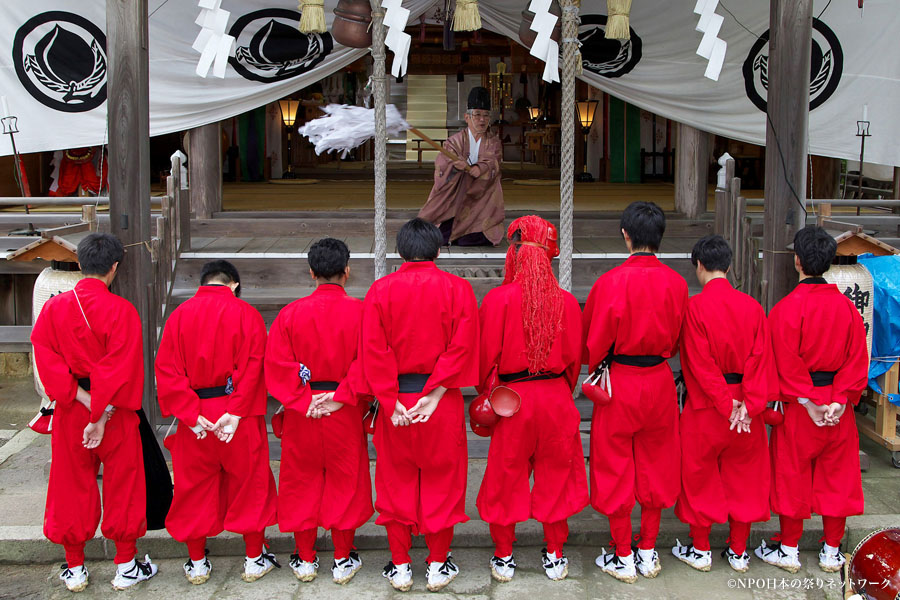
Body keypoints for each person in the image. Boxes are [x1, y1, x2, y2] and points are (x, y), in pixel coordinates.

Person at [31, 232, 157, 592]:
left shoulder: (54, 307)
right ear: (114, 267)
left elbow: (46, 356)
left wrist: (81, 400)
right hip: (115, 412)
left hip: (72, 410)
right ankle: (126, 565)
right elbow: (119, 368)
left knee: (70, 485)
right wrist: (100, 413)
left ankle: (75, 568)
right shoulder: (122, 310)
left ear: (81, 264)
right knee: (124, 485)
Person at [360, 218, 479, 592]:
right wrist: (439, 390)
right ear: (438, 250)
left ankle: (399, 566)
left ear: (399, 252)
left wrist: (388, 398)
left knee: (395, 481)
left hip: (396, 401)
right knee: (443, 481)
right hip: (438, 402)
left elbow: (374, 351)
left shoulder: (380, 291)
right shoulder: (459, 290)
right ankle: (438, 565)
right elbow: (462, 346)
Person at [476, 216, 588, 582]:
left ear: (515, 255)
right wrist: (557, 390)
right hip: (556, 396)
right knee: (557, 475)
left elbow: (483, 363)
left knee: (506, 477)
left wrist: (490, 394)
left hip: (513, 401)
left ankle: (505, 557)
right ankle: (555, 556)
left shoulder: (497, 300)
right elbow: (574, 364)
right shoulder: (568, 303)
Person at [582, 201, 688, 583]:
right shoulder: (677, 283)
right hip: (658, 378)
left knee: (614, 464)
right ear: (660, 237)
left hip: (619, 382)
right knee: (656, 464)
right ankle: (648, 550)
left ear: (625, 235)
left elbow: (593, 344)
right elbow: (677, 341)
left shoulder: (609, 282)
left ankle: (623, 553)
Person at [155, 260, 278, 585]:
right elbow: (253, 367)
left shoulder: (179, 316)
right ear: (233, 284)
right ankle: (254, 559)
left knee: (192, 489)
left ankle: (197, 564)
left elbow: (166, 370)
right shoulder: (246, 315)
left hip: (195, 415)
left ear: (204, 282)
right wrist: (235, 413)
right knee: (250, 484)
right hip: (238, 414)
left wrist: (190, 415)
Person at [755, 226, 867, 574]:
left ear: (797, 261)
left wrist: (808, 402)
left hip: (801, 408)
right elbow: (857, 359)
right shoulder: (848, 309)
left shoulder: (786, 309)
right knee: (839, 477)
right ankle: (832, 551)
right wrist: (839, 399)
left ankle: (789, 548)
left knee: (793, 474)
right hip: (838, 407)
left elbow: (783, 362)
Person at [264, 238, 373, 585]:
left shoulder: (289, 314)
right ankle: (342, 557)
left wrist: (301, 400)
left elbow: (277, 365)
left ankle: (306, 558)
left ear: (311, 272)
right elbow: (369, 361)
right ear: (346, 272)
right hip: (344, 408)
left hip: (304, 411)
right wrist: (342, 396)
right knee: (347, 477)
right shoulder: (361, 312)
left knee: (300, 480)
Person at [671, 235, 773, 573]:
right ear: (729, 267)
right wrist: (748, 405)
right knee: (745, 478)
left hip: (707, 409)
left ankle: (700, 549)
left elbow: (699, 364)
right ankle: (740, 551)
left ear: (699, 266)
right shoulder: (754, 308)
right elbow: (761, 360)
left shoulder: (695, 308)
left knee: (699, 477)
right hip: (746, 411)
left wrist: (725, 404)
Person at [418, 86, 504, 247]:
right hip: (456, 197)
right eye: (477, 115)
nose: (482, 120)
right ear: (467, 117)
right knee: (439, 235)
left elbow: (493, 162)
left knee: (477, 237)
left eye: (486, 116)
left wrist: (478, 169)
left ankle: (464, 234)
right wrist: (455, 166)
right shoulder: (454, 141)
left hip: (481, 200)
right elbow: (442, 165)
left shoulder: (493, 142)